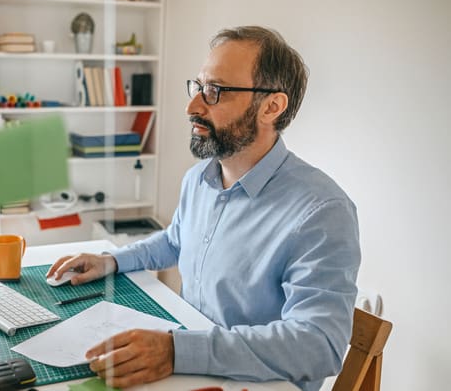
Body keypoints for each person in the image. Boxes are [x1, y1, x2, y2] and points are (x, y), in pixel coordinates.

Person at [46, 26, 360, 391]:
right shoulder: (199, 178)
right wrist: (112, 261)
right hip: (191, 363)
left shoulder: (322, 211)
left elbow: (318, 344)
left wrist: (178, 351)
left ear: (272, 107)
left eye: (215, 91)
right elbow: (176, 241)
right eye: (198, 87)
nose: (192, 106)